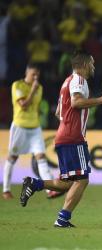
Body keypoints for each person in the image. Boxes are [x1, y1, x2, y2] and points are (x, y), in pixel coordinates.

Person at [20, 50, 102, 228]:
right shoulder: (79, 80)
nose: (93, 67)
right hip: (73, 137)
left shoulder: (67, 81)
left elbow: (58, 112)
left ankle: (35, 184)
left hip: (64, 135)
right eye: (92, 63)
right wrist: (101, 99)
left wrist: (69, 121)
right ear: (84, 65)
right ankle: (63, 219)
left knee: (66, 183)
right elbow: (76, 102)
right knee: (82, 180)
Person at [2, 63, 61, 200]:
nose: (35, 77)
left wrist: (35, 89)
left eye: (37, 75)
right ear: (26, 73)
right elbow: (23, 105)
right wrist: (33, 91)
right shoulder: (17, 86)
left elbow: (35, 107)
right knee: (13, 157)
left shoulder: (39, 88)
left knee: (41, 157)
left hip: (35, 127)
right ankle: (6, 190)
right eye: (33, 74)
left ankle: (50, 190)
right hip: (20, 127)